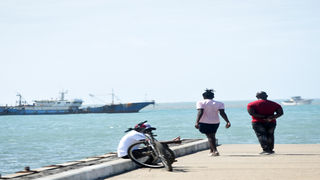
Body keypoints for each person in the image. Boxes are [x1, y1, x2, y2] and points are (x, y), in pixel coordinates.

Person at [195, 89, 231, 156]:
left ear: (203, 97)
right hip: (215, 122)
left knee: (210, 137)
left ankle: (215, 151)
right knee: (212, 136)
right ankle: (211, 151)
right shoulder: (220, 103)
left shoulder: (200, 102)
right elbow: (222, 113)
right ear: (213, 96)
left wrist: (197, 122)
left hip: (204, 122)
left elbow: (200, 112)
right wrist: (227, 121)